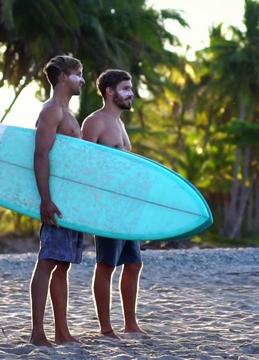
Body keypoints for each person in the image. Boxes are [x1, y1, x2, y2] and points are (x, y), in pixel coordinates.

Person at [81, 69, 146, 339]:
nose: (131, 94)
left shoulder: (119, 123)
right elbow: (84, 163)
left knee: (133, 264)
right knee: (107, 264)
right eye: (125, 88)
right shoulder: (94, 122)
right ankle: (106, 328)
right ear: (110, 91)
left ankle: (130, 324)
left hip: (126, 207)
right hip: (107, 206)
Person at [30, 55, 85, 347]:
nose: (83, 79)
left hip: (70, 204)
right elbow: (40, 155)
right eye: (78, 73)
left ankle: (61, 332)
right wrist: (45, 199)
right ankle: (38, 333)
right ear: (63, 77)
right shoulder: (52, 111)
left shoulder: (67, 113)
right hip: (56, 202)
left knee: (62, 265)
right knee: (48, 261)